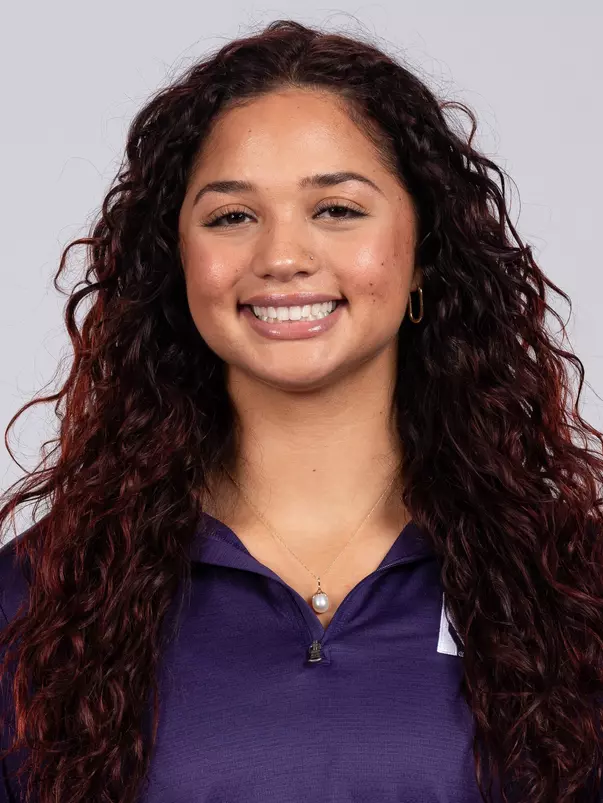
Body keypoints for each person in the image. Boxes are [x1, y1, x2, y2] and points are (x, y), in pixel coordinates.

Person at [0, 17, 602, 803]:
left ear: (424, 252)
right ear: (176, 261)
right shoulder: (37, 602)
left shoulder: (573, 587)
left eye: (337, 209)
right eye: (231, 216)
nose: (282, 256)